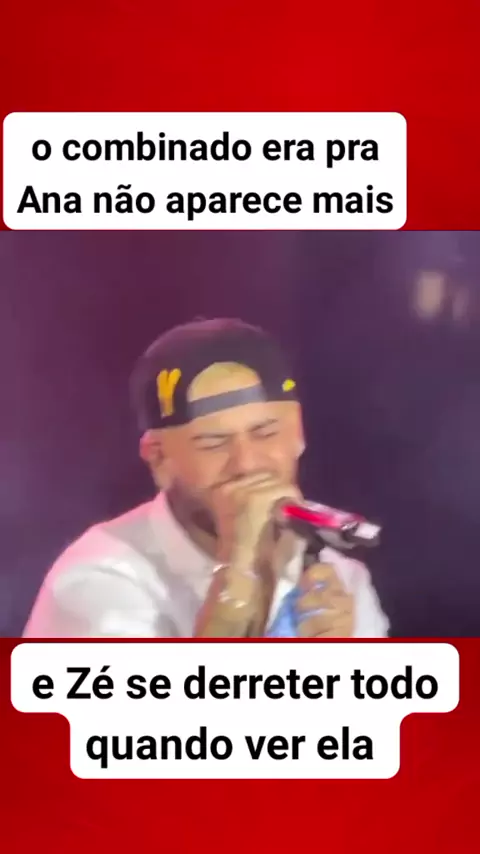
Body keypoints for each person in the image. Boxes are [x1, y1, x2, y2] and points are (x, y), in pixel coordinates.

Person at [23, 318, 389, 638]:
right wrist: (240, 572)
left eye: (265, 432)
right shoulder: (99, 576)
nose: (246, 464)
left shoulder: (340, 581)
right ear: (159, 459)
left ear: (298, 434)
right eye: (213, 443)